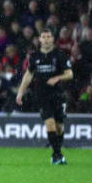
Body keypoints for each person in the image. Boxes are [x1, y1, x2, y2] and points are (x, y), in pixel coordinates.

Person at [16, 28, 73, 165]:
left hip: (58, 94)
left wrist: (57, 78)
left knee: (59, 126)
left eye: (48, 36)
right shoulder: (34, 56)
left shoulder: (59, 54)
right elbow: (28, 75)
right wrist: (20, 92)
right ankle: (57, 155)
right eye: (44, 36)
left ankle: (57, 152)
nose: (46, 39)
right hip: (42, 95)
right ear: (39, 39)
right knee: (50, 123)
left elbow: (70, 74)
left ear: (53, 39)